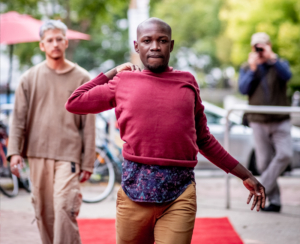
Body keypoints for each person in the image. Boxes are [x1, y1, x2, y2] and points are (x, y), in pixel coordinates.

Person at [66, 18, 265, 244]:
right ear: (136, 46)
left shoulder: (187, 82)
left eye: (161, 41)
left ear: (170, 45)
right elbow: (75, 102)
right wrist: (112, 72)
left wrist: (245, 175)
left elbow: (204, 140)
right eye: (147, 40)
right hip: (133, 195)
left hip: (179, 195)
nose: (154, 46)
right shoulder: (123, 81)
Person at [8, 20, 95, 244]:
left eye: (59, 39)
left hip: (69, 156)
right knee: (43, 212)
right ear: (42, 45)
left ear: (66, 42)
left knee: (64, 208)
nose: (55, 44)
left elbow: (89, 124)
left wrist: (88, 162)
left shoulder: (82, 78)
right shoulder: (28, 78)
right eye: (50, 40)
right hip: (37, 154)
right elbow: (18, 119)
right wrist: (15, 151)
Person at [239, 32, 293, 213]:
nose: (260, 49)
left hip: (280, 119)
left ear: (269, 45)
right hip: (258, 121)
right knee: (263, 163)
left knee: (285, 154)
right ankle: (275, 201)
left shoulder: (279, 64)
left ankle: (261, 188)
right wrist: (254, 69)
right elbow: (243, 88)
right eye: (257, 46)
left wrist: (273, 59)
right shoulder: (248, 67)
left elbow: (287, 77)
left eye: (263, 46)